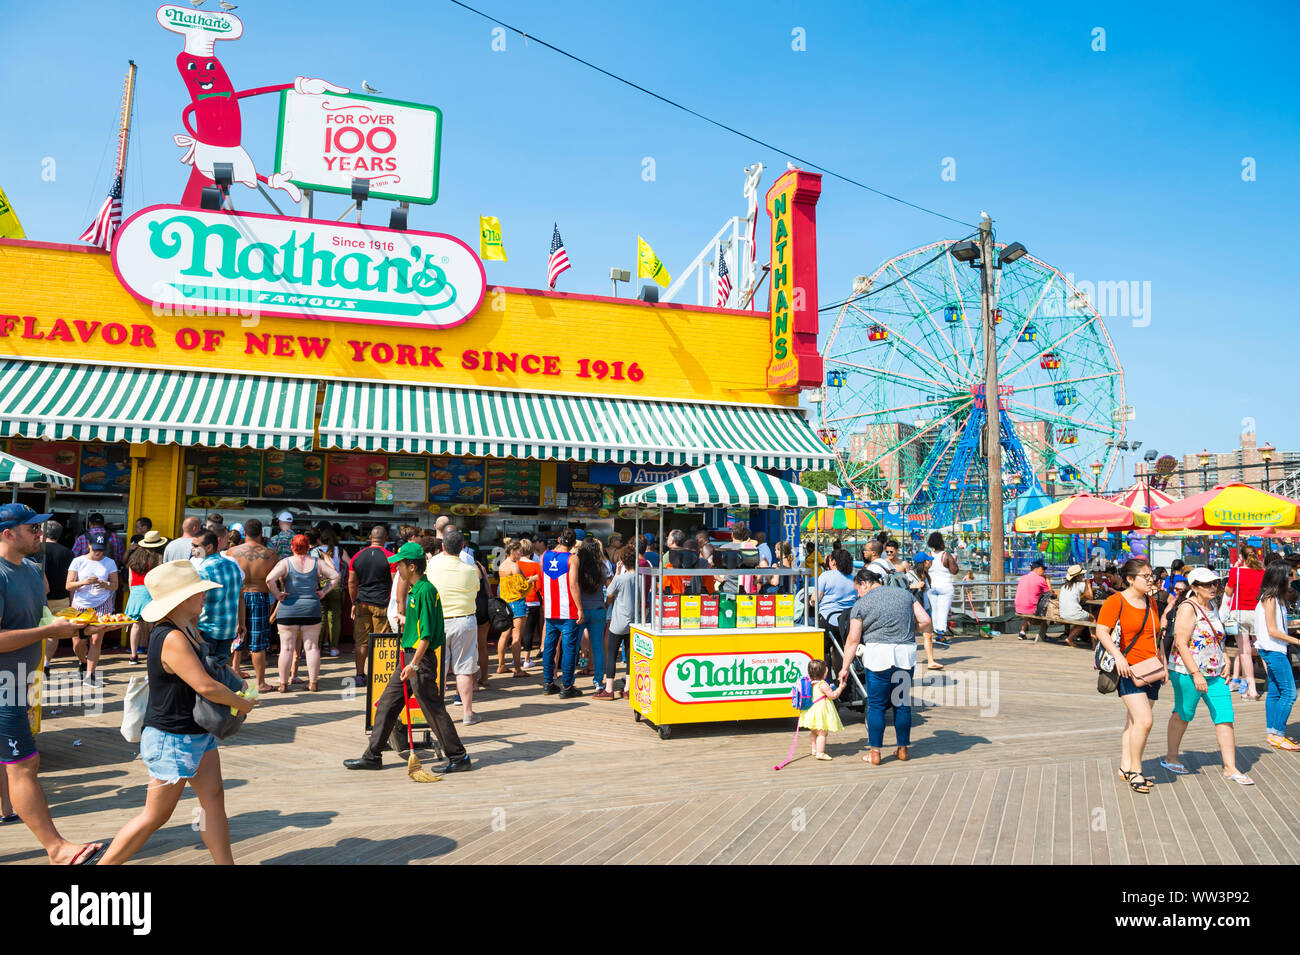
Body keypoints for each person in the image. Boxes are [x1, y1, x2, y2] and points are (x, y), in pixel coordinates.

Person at [98, 561, 256, 865]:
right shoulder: (171, 637)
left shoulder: (188, 628)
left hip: (194, 732)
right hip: (171, 738)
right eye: (198, 592)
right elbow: (205, 687)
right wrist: (243, 703)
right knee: (155, 816)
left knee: (212, 800)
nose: (204, 597)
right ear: (181, 599)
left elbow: (209, 675)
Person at [0, 503, 102, 864]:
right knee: (24, 764)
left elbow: (41, 618)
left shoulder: (30, 569)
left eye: (40, 528)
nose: (40, 534)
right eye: (32, 529)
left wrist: (80, 626)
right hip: (3, 685)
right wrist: (49, 630)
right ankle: (57, 849)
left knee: (9, 763)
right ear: (8, 533)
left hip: (21, 681)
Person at [344, 542, 470, 775]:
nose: (397, 568)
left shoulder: (424, 591)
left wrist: (413, 665)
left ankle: (458, 755)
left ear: (411, 567)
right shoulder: (417, 590)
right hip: (410, 657)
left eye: (400, 564)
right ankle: (373, 756)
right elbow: (422, 627)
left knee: (432, 709)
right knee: (387, 703)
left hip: (418, 660)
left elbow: (427, 635)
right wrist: (404, 620)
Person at [1161, 568, 1252, 784]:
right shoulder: (1187, 607)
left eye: (1216, 583)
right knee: (1184, 713)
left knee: (1225, 717)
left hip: (1215, 671)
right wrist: (1195, 673)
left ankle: (1230, 767)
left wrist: (1227, 658)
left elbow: (1217, 637)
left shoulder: (1212, 605)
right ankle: (1171, 757)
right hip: (1187, 671)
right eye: (1207, 584)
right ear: (1194, 587)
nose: (1213, 587)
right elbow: (1181, 642)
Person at [838, 567, 933, 765]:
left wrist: (844, 667)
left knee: (876, 705)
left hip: (878, 655)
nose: (858, 594)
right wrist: (910, 628)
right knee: (901, 703)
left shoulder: (861, 603)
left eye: (858, 589)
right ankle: (903, 749)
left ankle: (875, 753)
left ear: (864, 583)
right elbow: (925, 620)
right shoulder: (905, 595)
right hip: (904, 655)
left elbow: (853, 640)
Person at [1095, 558, 1165, 794]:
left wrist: (1163, 663)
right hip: (1129, 668)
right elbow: (1101, 631)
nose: (1150, 580)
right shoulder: (1116, 601)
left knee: (1134, 721)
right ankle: (1136, 769)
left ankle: (1125, 767)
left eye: (1150, 575)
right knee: (1145, 721)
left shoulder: (1152, 602)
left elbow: (1158, 636)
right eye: (1145, 576)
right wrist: (1118, 657)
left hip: (1151, 669)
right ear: (1130, 579)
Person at [267, 533, 339, 693]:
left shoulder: (285, 563)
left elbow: (269, 579)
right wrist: (324, 592)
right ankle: (313, 683)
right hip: (311, 608)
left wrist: (278, 594)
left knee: (286, 648)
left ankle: (283, 684)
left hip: (288, 609)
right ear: (308, 547)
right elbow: (335, 576)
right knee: (312, 647)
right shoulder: (317, 563)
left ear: (292, 547)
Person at [425, 528, 482, 724]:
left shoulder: (432, 565)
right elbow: (476, 589)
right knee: (464, 668)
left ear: (442, 546)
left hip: (438, 621)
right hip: (464, 621)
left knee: (438, 668)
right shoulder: (469, 569)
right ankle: (467, 713)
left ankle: (437, 711)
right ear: (463, 547)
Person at [226, 518, 280, 694]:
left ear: (245, 534)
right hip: (259, 596)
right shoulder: (271, 554)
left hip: (237, 596)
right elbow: (275, 580)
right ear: (261, 533)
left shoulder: (231, 552)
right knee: (257, 642)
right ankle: (261, 682)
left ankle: (234, 669)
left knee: (236, 635)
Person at [1254, 561, 1300, 750]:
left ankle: (1273, 733)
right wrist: (1296, 641)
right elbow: (1273, 630)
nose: (1293, 577)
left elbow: (1274, 627)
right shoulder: (1270, 598)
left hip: (1272, 648)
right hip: (1274, 649)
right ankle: (1278, 733)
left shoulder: (1273, 597)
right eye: (1289, 574)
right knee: (1289, 693)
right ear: (1279, 576)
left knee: (1275, 692)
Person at [66, 532, 119, 684]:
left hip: (102, 603)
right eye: (95, 549)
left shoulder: (109, 562)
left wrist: (104, 584)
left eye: (101, 550)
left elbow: (115, 585)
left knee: (96, 640)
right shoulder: (78, 561)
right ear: (88, 545)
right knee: (78, 642)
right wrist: (83, 582)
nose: (98, 552)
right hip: (80, 605)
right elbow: (68, 585)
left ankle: (90, 674)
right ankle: (82, 661)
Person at [190, 529, 244, 672]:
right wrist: (242, 623)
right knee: (219, 671)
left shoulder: (203, 570)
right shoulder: (233, 566)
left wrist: (194, 631)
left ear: (209, 547)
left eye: (196, 546)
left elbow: (195, 603)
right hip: (228, 629)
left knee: (204, 672)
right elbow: (240, 596)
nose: (192, 549)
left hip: (207, 631)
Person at [347, 526, 394, 686]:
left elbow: (352, 582)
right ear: (386, 538)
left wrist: (354, 602)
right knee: (382, 641)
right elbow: (395, 583)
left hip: (362, 603)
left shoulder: (357, 556)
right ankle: (379, 675)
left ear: (369, 537)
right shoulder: (390, 557)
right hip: (382, 604)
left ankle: (360, 675)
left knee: (361, 641)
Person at [541, 529, 584, 698]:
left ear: (559, 539)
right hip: (568, 611)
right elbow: (573, 586)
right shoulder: (573, 559)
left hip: (550, 609)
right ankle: (566, 687)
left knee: (549, 647)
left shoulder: (545, 555)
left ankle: (547, 683)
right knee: (569, 649)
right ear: (574, 544)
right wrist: (580, 608)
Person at [1223, 552, 1264, 701]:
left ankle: (1252, 689)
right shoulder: (1262, 572)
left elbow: (1228, 591)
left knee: (1245, 652)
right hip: (1257, 612)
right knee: (1264, 648)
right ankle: (1273, 685)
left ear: (1242, 557)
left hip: (1239, 612)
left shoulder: (1236, 571)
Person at [600, 545, 638, 700]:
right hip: (634, 620)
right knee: (630, 654)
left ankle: (609, 689)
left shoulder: (621, 578)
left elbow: (609, 593)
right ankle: (628, 689)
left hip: (618, 622)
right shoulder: (641, 577)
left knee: (612, 654)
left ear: (622, 561)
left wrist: (616, 573)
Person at [124, 531, 168, 663]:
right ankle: (151, 653)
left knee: (136, 625)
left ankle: (133, 656)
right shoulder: (158, 557)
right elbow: (160, 577)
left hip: (136, 591)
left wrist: (134, 592)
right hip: (150, 590)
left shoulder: (134, 557)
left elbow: (130, 579)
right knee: (153, 625)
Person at [39, 521, 75, 670]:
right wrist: (72, 600)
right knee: (53, 633)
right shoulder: (68, 552)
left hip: (39, 598)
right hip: (61, 598)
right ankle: (47, 662)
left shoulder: (37, 549)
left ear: (44, 533)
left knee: (37, 631)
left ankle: (38, 662)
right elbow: (72, 577)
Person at [574, 537, 608, 690]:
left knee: (573, 646)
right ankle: (598, 681)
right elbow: (612, 588)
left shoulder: (577, 565)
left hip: (579, 611)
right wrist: (607, 603)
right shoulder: (602, 566)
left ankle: (569, 679)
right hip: (598, 610)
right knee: (598, 647)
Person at [311, 523, 347, 658]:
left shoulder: (315, 550)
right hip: (335, 584)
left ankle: (318, 648)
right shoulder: (339, 550)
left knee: (321, 617)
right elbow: (351, 564)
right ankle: (333, 648)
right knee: (335, 618)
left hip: (320, 584)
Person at [495, 540, 531, 678]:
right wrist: (531, 580)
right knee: (517, 637)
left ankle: (501, 665)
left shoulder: (502, 565)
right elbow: (520, 587)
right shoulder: (514, 566)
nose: (521, 553)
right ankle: (517, 669)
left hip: (505, 602)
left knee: (504, 635)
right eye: (519, 551)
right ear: (512, 551)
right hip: (517, 602)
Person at [799, 659, 845, 760]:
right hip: (820, 713)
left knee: (814, 732)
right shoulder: (822, 684)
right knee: (822, 733)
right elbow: (833, 695)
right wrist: (840, 688)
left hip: (811, 711)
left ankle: (814, 749)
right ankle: (820, 753)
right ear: (823, 673)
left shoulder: (810, 683)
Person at [908, 553, 943, 670]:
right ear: (924, 562)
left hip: (925, 608)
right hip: (915, 609)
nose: (931, 562)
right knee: (910, 636)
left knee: (928, 635)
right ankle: (908, 661)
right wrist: (916, 586)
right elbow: (902, 589)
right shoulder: (910, 575)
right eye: (929, 560)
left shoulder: (925, 575)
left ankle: (931, 661)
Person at [815, 549, 857, 640]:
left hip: (828, 619)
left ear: (833, 562)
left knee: (823, 650)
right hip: (848, 622)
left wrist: (810, 601)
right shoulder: (854, 579)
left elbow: (815, 599)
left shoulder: (825, 576)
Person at [926, 532, 958, 644]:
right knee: (943, 611)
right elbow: (955, 571)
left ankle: (936, 633)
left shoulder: (928, 555)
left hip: (931, 586)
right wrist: (955, 561)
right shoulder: (946, 555)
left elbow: (924, 570)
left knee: (935, 610)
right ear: (941, 542)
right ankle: (941, 635)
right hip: (945, 586)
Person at [1057, 564, 1095, 647]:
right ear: (1078, 576)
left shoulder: (1064, 586)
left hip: (1063, 614)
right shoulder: (1080, 585)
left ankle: (1070, 638)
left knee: (1082, 620)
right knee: (1092, 619)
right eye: (1082, 575)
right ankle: (1094, 644)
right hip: (1073, 614)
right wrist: (1088, 584)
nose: (1083, 576)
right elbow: (1090, 597)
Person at [1014, 560, 1053, 641]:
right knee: (1048, 608)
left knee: (1030, 605)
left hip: (1019, 607)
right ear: (1037, 569)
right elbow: (1050, 593)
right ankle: (1042, 634)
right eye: (1043, 569)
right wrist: (1048, 580)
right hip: (1030, 608)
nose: (1044, 571)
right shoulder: (1041, 579)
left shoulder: (1023, 577)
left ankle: (1022, 632)